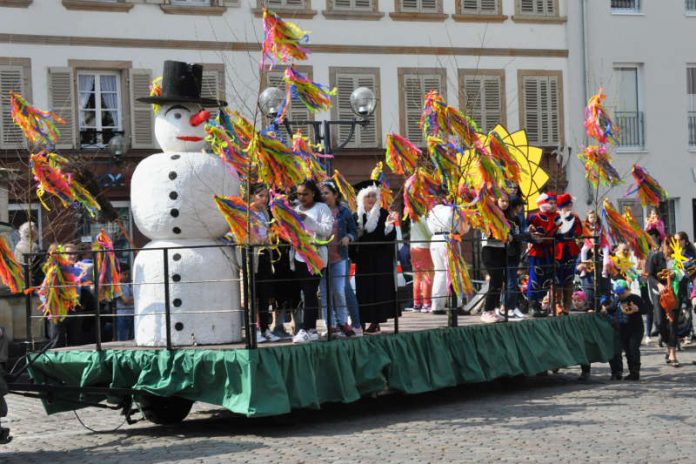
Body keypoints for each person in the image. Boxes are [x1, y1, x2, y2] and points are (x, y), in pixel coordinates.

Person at [292, 180, 334, 344]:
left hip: (316, 257)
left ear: (313, 194)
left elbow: (327, 230)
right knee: (304, 292)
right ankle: (309, 329)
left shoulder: (322, 208)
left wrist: (307, 220)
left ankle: (307, 328)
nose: (301, 197)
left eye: (305, 194)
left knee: (310, 292)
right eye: (299, 194)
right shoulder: (295, 209)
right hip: (299, 256)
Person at [353, 181, 397, 334]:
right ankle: (361, 321)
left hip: (379, 259)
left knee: (378, 290)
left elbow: (390, 237)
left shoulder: (383, 213)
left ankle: (375, 322)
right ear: (361, 198)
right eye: (367, 196)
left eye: (373, 196)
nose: (371, 199)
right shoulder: (356, 216)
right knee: (363, 290)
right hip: (363, 259)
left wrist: (389, 227)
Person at [319, 181, 358, 337]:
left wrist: (348, 237)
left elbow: (354, 231)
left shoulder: (344, 211)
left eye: (327, 193)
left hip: (339, 257)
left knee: (339, 291)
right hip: (321, 259)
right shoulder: (317, 211)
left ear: (335, 195)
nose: (323, 196)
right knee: (325, 293)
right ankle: (330, 325)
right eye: (321, 193)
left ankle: (343, 323)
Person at [247, 183, 280, 344]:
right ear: (252, 196)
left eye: (266, 196)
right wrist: (261, 240)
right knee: (253, 294)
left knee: (266, 293)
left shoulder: (265, 213)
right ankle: (253, 329)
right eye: (261, 196)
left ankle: (265, 328)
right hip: (253, 255)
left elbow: (268, 232)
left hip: (266, 254)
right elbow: (245, 235)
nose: (264, 199)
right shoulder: (247, 212)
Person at [602, 279, 646, 380]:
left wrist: (637, 309)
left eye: (622, 293)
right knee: (627, 351)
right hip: (623, 329)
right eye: (618, 294)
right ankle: (631, 371)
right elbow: (611, 308)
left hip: (636, 329)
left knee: (633, 349)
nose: (620, 295)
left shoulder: (635, 298)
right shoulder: (617, 300)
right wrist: (605, 309)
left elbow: (645, 309)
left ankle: (635, 371)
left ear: (627, 289)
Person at [647, 238, 680, 366]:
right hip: (659, 293)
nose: (669, 249)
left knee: (672, 323)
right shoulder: (656, 258)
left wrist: (676, 275)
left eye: (672, 246)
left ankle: (673, 353)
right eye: (667, 246)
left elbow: (684, 273)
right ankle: (668, 344)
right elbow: (650, 276)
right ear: (663, 245)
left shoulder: (677, 258)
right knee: (660, 322)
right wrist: (658, 285)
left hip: (674, 293)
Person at [526, 193, 559, 317]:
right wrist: (533, 236)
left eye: (555, 203)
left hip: (550, 252)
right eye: (550, 203)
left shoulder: (558, 217)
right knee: (535, 277)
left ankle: (540, 304)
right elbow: (526, 230)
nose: (553, 205)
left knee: (547, 278)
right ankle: (532, 305)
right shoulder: (534, 217)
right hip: (537, 251)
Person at [481, 195, 512, 323]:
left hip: (501, 249)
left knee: (499, 282)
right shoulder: (488, 215)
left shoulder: (505, 216)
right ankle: (486, 310)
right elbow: (488, 234)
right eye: (502, 201)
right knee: (494, 281)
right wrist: (504, 236)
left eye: (507, 201)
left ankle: (493, 310)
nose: (505, 204)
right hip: (490, 250)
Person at [553, 193, 582, 315]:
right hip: (557, 250)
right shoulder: (554, 217)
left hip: (570, 250)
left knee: (569, 277)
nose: (570, 205)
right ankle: (557, 304)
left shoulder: (574, 217)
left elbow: (579, 232)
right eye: (568, 204)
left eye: (570, 204)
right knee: (557, 278)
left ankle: (567, 305)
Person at [502, 196, 528, 319]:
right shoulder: (505, 218)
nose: (521, 208)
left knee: (512, 281)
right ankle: (507, 308)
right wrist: (526, 236)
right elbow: (513, 236)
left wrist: (526, 235)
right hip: (508, 252)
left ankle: (509, 307)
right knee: (511, 282)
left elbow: (517, 234)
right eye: (520, 206)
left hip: (516, 252)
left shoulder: (517, 219)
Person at [409, 215, 433, 313]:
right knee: (427, 276)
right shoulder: (424, 217)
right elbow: (429, 232)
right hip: (424, 247)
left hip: (414, 248)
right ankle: (426, 303)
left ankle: (417, 302)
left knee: (417, 277)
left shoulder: (413, 216)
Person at [115, 264, 135, 342]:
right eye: (124, 274)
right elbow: (125, 301)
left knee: (131, 338)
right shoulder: (117, 286)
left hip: (132, 314)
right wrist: (136, 299)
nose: (127, 276)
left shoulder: (129, 284)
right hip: (122, 315)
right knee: (123, 339)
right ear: (118, 274)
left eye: (128, 274)